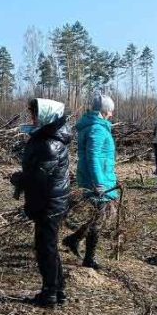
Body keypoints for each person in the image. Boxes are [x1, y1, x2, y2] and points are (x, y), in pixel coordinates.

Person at [10, 98, 72, 308]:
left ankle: (50, 293)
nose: (32, 118)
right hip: (49, 200)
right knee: (49, 246)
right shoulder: (47, 137)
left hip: (49, 202)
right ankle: (58, 289)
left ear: (46, 115)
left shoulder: (50, 143)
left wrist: (20, 179)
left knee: (46, 248)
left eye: (35, 114)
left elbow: (39, 177)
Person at [64, 93, 120, 270]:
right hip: (97, 179)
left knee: (98, 216)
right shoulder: (97, 128)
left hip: (101, 176)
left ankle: (74, 239)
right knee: (99, 218)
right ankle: (89, 258)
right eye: (110, 111)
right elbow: (93, 156)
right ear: (105, 111)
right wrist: (99, 183)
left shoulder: (95, 126)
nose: (112, 114)